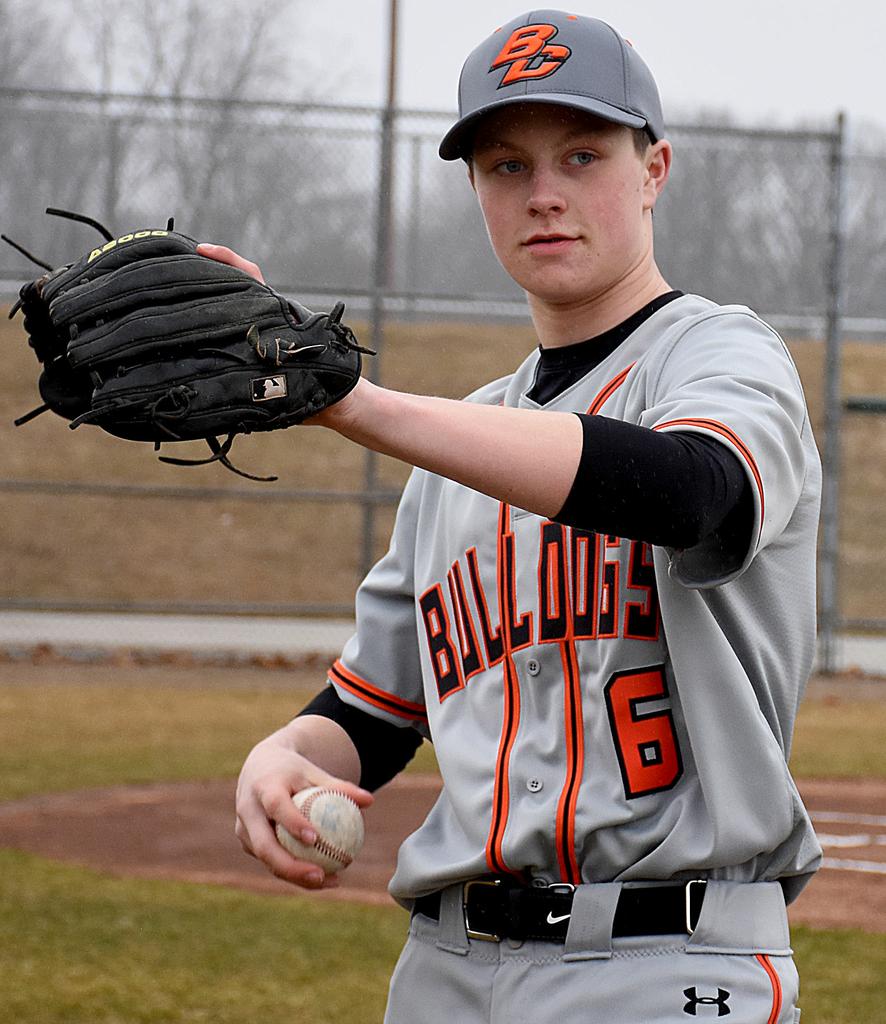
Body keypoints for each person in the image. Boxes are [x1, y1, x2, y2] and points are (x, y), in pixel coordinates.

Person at [207, 10, 821, 1022]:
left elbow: (689, 488)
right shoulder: (453, 449)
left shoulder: (718, 357)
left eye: (582, 155)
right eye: (504, 166)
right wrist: (282, 756)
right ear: (475, 192)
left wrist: (356, 403)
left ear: (654, 167)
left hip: (667, 961)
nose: (543, 194)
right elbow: (370, 713)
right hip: (447, 967)